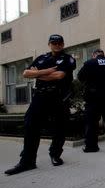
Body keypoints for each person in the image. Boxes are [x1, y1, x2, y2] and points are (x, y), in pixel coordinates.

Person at [4, 34, 76, 175]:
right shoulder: (41, 58)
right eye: (54, 43)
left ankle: (55, 154)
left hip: (59, 97)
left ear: (63, 44)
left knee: (59, 128)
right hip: (40, 96)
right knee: (30, 125)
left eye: (59, 43)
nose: (57, 45)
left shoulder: (68, 59)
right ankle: (28, 161)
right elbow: (25, 73)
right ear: (49, 44)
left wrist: (37, 74)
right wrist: (47, 71)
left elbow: (59, 76)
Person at [77, 49, 105, 152]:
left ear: (94, 55)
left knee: (92, 122)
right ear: (103, 55)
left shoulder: (89, 63)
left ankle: (91, 146)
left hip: (93, 97)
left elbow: (80, 77)